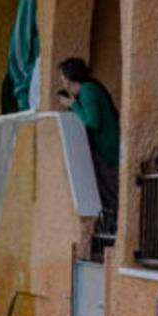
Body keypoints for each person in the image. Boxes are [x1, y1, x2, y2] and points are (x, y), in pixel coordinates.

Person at [57, 57, 119, 216]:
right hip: (106, 150)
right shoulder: (89, 90)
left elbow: (92, 122)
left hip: (108, 151)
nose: (62, 82)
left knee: (112, 194)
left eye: (63, 78)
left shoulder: (88, 91)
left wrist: (73, 105)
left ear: (70, 78)